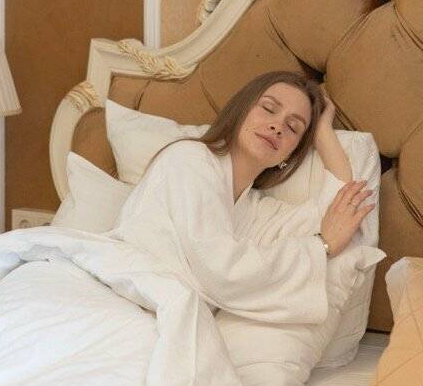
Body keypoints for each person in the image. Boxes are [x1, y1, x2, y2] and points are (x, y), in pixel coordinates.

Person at [112, 70, 376, 326]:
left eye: (293, 127)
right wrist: (322, 247)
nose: (277, 126)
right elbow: (221, 271)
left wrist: (322, 131)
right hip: (121, 302)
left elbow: (342, 207)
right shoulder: (189, 159)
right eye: (269, 109)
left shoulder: (256, 210)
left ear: (290, 154)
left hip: (161, 318)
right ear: (241, 110)